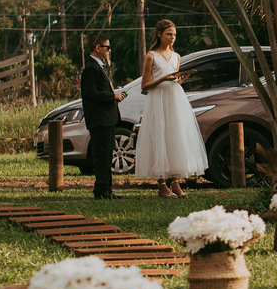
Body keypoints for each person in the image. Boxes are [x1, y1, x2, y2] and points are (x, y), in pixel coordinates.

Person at [133, 20, 208, 197]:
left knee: (175, 137)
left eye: (174, 35)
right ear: (159, 34)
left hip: (174, 99)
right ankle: (161, 184)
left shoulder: (176, 56)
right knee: (159, 136)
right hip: (157, 100)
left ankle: (175, 182)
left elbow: (174, 79)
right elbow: (144, 85)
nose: (172, 38)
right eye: (168, 34)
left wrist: (180, 79)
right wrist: (163, 79)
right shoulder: (151, 56)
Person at [80, 34, 126, 200]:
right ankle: (101, 190)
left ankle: (106, 188)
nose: (109, 51)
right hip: (99, 119)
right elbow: (90, 93)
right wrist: (112, 96)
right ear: (97, 48)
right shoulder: (91, 68)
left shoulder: (100, 66)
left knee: (107, 156)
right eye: (107, 47)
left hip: (107, 118)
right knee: (101, 156)